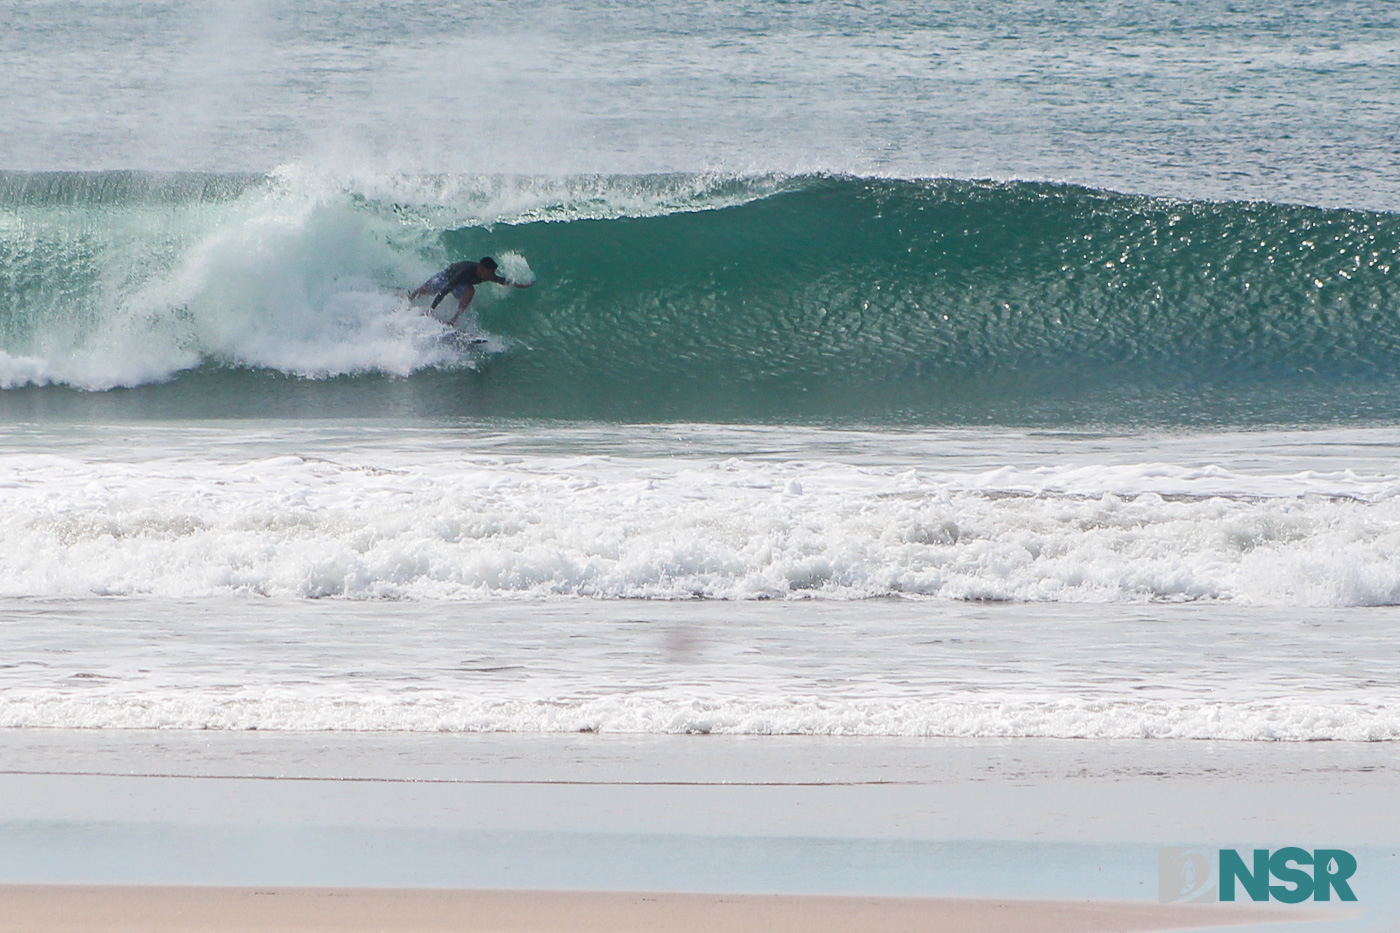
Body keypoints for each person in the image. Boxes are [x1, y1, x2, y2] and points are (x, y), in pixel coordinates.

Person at [409, 257, 533, 326]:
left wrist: (520, 285)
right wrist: (432, 309)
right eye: (491, 272)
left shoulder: (487, 275)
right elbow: (445, 290)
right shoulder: (466, 271)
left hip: (460, 285)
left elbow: (502, 280)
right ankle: (409, 298)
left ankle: (453, 320)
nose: (493, 275)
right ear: (482, 269)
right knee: (425, 290)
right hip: (447, 277)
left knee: (470, 290)